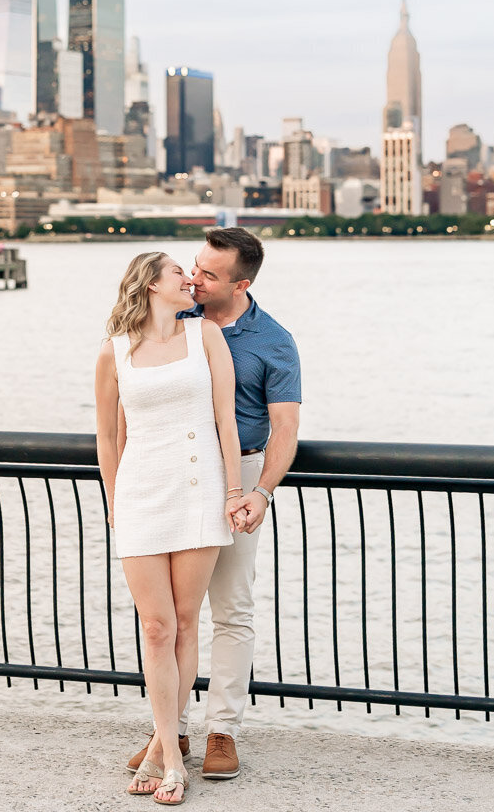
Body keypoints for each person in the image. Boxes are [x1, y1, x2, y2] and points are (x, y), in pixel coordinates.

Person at [126, 227, 301, 781]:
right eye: (194, 267)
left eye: (209, 274)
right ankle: (167, 732)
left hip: (241, 473)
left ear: (241, 282)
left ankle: (222, 729)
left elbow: (286, 429)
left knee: (232, 606)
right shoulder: (173, 320)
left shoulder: (274, 341)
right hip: (177, 476)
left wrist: (259, 491)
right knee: (170, 619)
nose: (195, 278)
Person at [96, 251, 247, 805]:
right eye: (179, 274)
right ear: (150, 285)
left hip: (198, 491)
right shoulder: (114, 352)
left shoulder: (205, 335)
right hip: (139, 496)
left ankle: (166, 756)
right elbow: (108, 439)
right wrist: (115, 503)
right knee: (155, 627)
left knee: (184, 623)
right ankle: (166, 741)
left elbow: (224, 419)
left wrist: (234, 492)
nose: (191, 280)